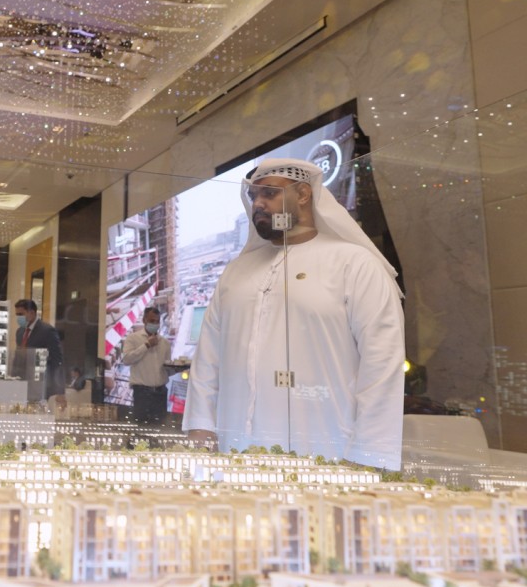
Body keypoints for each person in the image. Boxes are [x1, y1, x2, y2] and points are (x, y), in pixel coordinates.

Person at [183, 157, 405, 469]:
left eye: (269, 193)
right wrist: (201, 428)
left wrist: (367, 455)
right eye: (253, 196)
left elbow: (381, 363)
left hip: (327, 456)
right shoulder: (236, 271)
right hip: (234, 456)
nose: (258, 204)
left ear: (303, 194)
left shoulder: (354, 264)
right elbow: (208, 359)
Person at [120, 306, 171, 425]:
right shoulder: (133, 338)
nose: (155, 324)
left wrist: (178, 369)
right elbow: (126, 360)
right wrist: (146, 345)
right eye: (152, 321)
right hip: (142, 393)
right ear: (144, 320)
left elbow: (167, 367)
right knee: (141, 427)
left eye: (157, 321)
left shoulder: (165, 343)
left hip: (161, 393)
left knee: (160, 427)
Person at [14, 298, 66, 410]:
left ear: (32, 313)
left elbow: (57, 360)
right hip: (22, 384)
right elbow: (18, 357)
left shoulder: (47, 331)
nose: (18, 318)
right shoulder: (20, 332)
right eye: (17, 315)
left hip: (40, 383)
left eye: (21, 314)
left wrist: (60, 391)